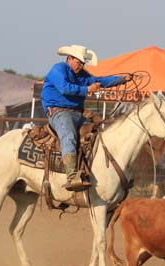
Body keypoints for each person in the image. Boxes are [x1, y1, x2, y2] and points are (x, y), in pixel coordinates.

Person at [41, 44, 132, 191]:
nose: (81, 65)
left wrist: (121, 79)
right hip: (59, 112)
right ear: (69, 58)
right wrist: (87, 89)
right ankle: (71, 176)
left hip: (77, 113)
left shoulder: (82, 75)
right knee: (69, 135)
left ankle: (98, 171)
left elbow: (100, 81)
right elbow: (65, 88)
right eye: (79, 62)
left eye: (83, 63)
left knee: (96, 134)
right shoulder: (58, 69)